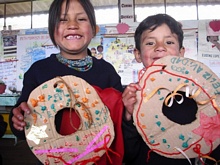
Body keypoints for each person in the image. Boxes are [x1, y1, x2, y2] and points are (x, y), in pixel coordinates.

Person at [9, 0, 124, 165]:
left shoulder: (107, 72)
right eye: (63, 20)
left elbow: (119, 123)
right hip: (54, 158)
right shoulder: (39, 71)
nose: (72, 25)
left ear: (94, 29)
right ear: (52, 30)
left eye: (81, 19)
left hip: (100, 158)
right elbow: (27, 127)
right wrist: (20, 121)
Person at [122, 14, 220, 165]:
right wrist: (128, 116)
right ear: (138, 54)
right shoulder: (133, 95)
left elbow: (213, 144)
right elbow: (128, 154)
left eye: (169, 42)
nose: (160, 47)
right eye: (150, 43)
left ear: (181, 53)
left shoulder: (199, 92)